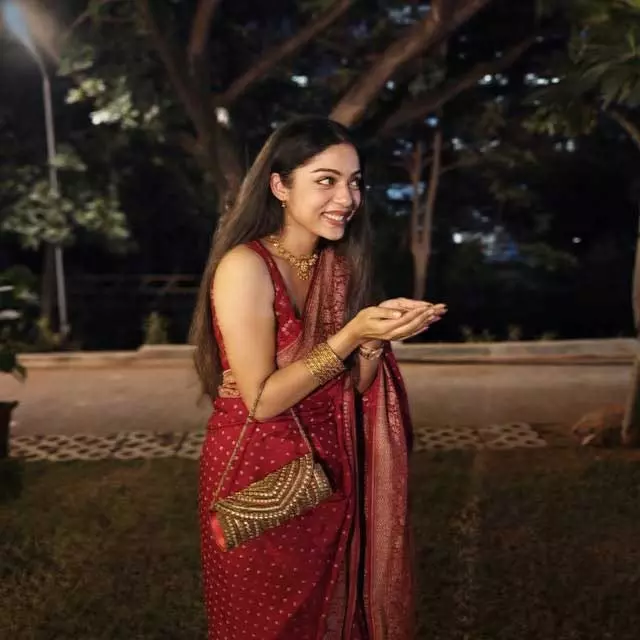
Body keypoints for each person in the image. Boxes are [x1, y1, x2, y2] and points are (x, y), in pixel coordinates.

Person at [190, 116, 446, 640]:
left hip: (333, 467)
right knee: (265, 623)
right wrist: (351, 336)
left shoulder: (337, 266)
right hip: (261, 474)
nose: (346, 198)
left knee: (335, 614)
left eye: (355, 182)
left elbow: (353, 387)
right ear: (280, 186)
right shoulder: (245, 267)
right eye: (326, 180)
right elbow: (262, 400)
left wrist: (374, 341)